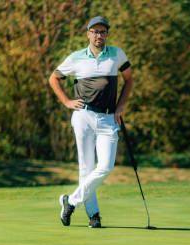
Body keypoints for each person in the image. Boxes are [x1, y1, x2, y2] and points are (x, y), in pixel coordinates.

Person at [48, 16, 134, 228]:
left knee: (105, 166)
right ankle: (94, 215)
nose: (99, 35)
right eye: (95, 31)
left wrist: (121, 105)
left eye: (102, 32)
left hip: (107, 118)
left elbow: (129, 79)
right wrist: (66, 101)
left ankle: (71, 201)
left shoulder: (117, 54)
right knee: (86, 168)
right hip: (83, 116)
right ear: (88, 34)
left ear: (107, 34)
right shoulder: (77, 57)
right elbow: (54, 78)